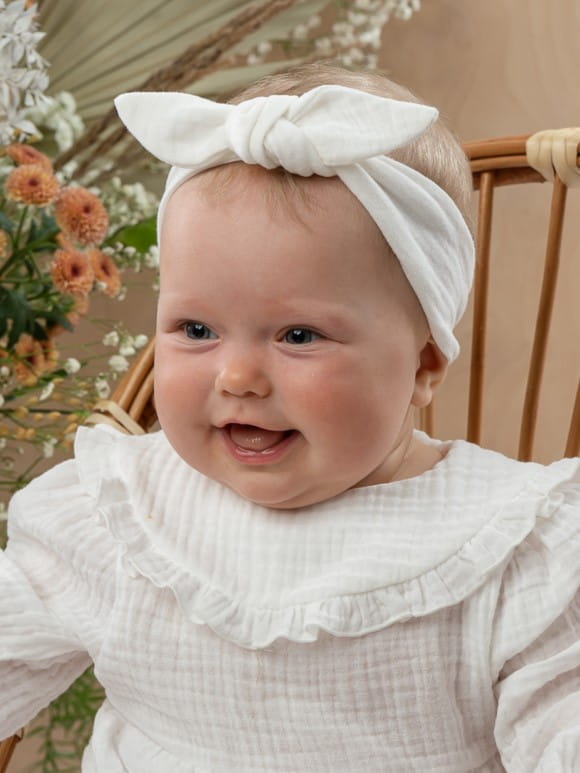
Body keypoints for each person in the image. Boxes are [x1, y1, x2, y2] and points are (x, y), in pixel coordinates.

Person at [1, 62, 579, 772]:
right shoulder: (117, 515)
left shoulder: (512, 548)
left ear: (423, 364)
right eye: (196, 329)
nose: (237, 376)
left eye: (298, 336)